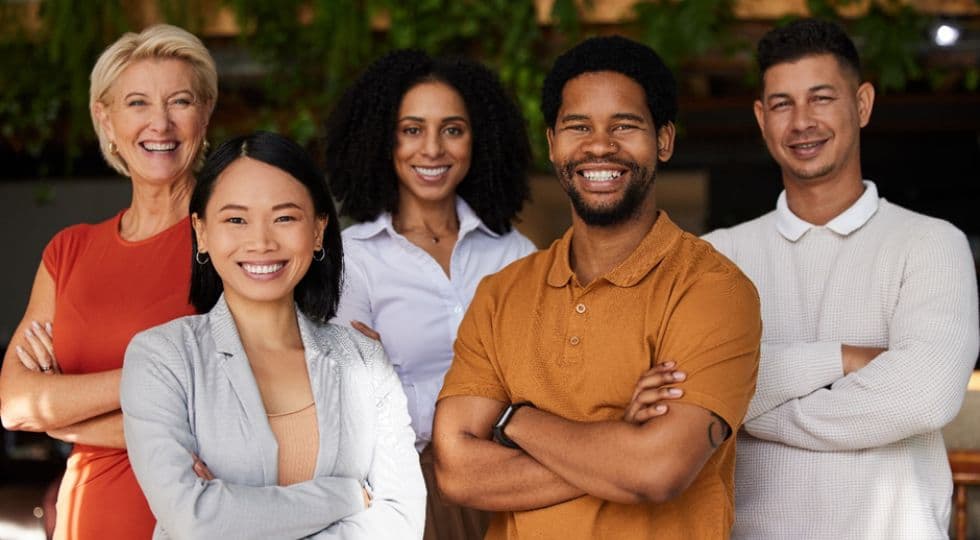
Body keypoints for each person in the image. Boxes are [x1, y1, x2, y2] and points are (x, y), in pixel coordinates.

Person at [432, 35, 762, 539]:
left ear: (665, 140)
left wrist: (514, 421)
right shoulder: (501, 294)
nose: (599, 145)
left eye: (624, 126)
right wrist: (619, 445)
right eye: (578, 126)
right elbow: (457, 469)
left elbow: (657, 470)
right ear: (552, 143)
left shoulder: (714, 290)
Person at [701, 19, 979, 538]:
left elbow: (925, 396)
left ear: (863, 104)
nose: (802, 121)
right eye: (782, 104)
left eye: (821, 98)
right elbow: (695, 391)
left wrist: (749, 407)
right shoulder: (716, 256)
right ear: (762, 119)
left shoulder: (933, 244)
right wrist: (842, 360)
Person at [120, 131, 426, 539]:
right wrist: (347, 497)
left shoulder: (365, 360)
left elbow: (402, 522)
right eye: (236, 219)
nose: (261, 241)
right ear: (202, 231)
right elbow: (195, 521)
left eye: (284, 217)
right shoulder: (162, 357)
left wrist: (236, 514)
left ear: (318, 229)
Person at [0, 24, 216, 539]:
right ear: (107, 118)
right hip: (86, 513)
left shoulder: (229, 241)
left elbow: (227, 417)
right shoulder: (69, 251)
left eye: (180, 101)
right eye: (137, 102)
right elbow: (15, 401)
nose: (159, 123)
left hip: (196, 518)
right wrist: (154, 384)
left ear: (205, 114)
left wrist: (64, 415)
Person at [324, 49, 536, 539]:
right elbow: (352, 397)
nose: (433, 149)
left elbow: (543, 375)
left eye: (453, 129)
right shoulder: (351, 258)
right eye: (412, 129)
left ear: (477, 138)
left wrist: (398, 379)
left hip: (511, 481)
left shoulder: (514, 252)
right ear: (383, 137)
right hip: (399, 488)